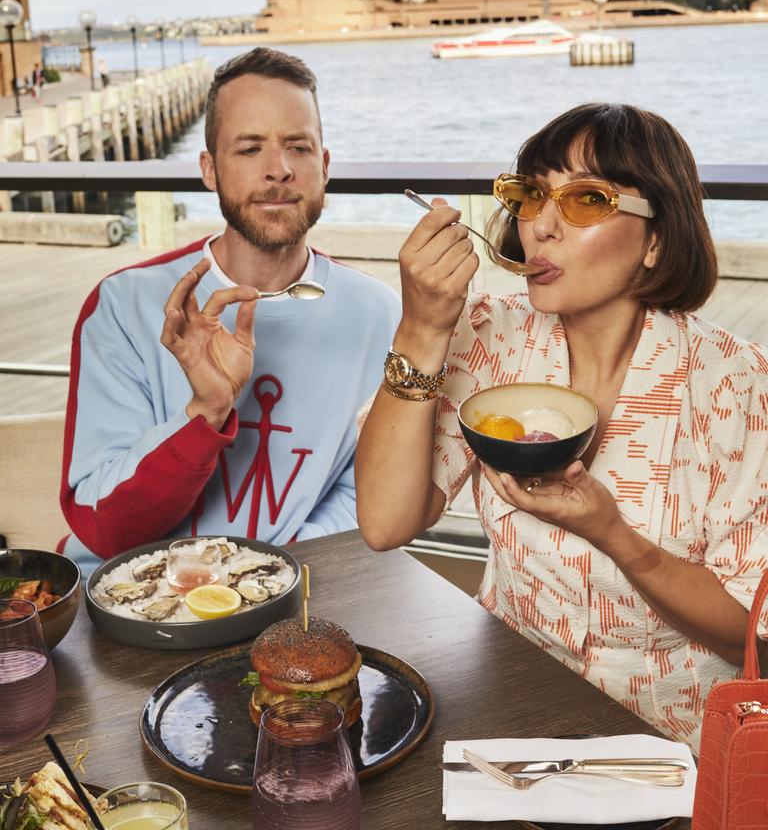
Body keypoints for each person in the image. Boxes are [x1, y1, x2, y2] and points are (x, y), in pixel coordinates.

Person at [356, 102, 767, 752]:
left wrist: (613, 535)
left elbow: (748, 636)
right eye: (531, 195)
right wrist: (422, 328)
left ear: (656, 234)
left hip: (669, 741)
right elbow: (385, 523)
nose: (539, 227)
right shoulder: (490, 334)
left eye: (585, 201)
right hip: (506, 705)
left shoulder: (735, 385)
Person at [60, 47, 400, 572]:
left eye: (299, 147)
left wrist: (265, 574)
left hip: (295, 589)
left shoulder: (379, 314)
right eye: (248, 149)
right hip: (125, 603)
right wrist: (205, 413)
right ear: (209, 170)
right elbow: (104, 527)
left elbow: (367, 493)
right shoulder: (124, 306)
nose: (279, 169)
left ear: (324, 166)